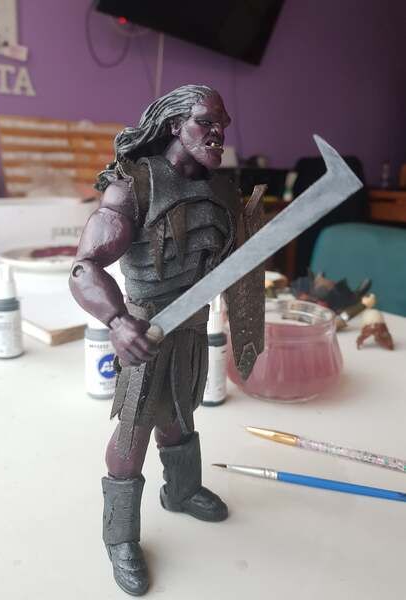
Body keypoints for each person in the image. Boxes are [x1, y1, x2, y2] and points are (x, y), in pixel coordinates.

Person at [69, 84, 264, 596]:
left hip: (193, 326)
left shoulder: (223, 192)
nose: (217, 134)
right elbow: (84, 267)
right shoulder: (134, 186)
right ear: (175, 125)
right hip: (145, 330)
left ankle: (181, 490)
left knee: (180, 413)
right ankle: (119, 537)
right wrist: (117, 322)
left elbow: (235, 262)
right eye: (206, 123)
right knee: (133, 433)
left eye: (222, 126)